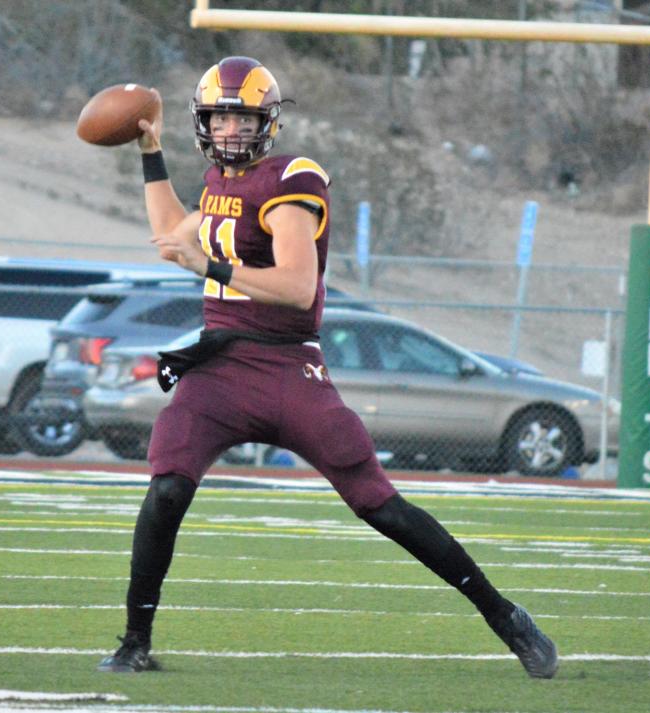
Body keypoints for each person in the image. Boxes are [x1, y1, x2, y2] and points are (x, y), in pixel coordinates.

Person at [97, 56, 558, 680]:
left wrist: (208, 268)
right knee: (167, 486)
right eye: (219, 117)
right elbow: (170, 231)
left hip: (289, 369)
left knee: (379, 505)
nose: (230, 130)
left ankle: (505, 617)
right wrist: (149, 151)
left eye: (242, 117)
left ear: (269, 122)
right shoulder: (217, 180)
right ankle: (134, 642)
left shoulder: (293, 178)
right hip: (221, 368)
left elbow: (293, 286)